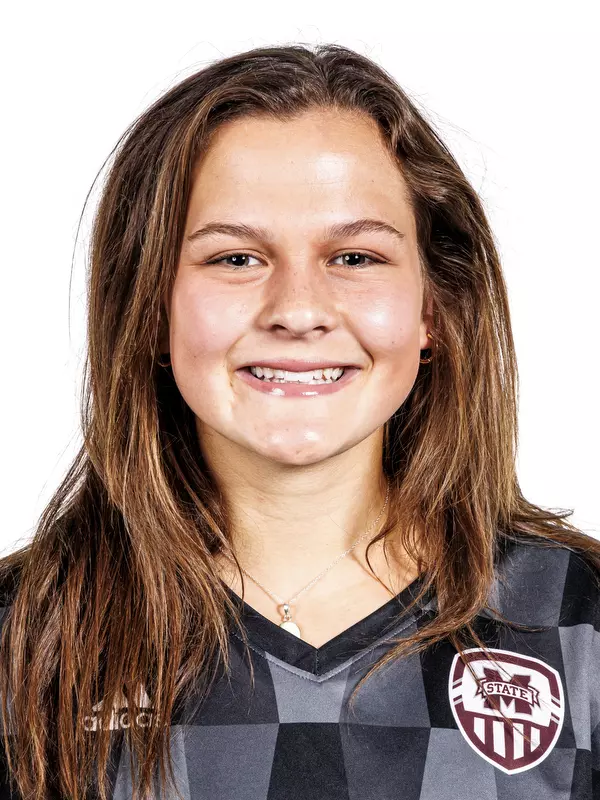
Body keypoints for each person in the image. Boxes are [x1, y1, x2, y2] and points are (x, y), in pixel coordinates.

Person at [0, 42, 598, 800]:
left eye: (354, 258)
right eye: (236, 259)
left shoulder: (577, 620)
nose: (298, 311)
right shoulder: (25, 638)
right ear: (148, 310)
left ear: (434, 309)